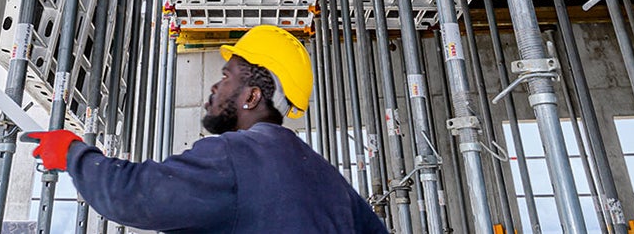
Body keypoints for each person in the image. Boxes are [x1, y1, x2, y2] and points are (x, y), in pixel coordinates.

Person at [27, 25, 388, 234]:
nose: (215, 88)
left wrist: (73, 154)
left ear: (251, 97)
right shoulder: (329, 179)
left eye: (225, 77)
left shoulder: (238, 155)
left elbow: (135, 195)